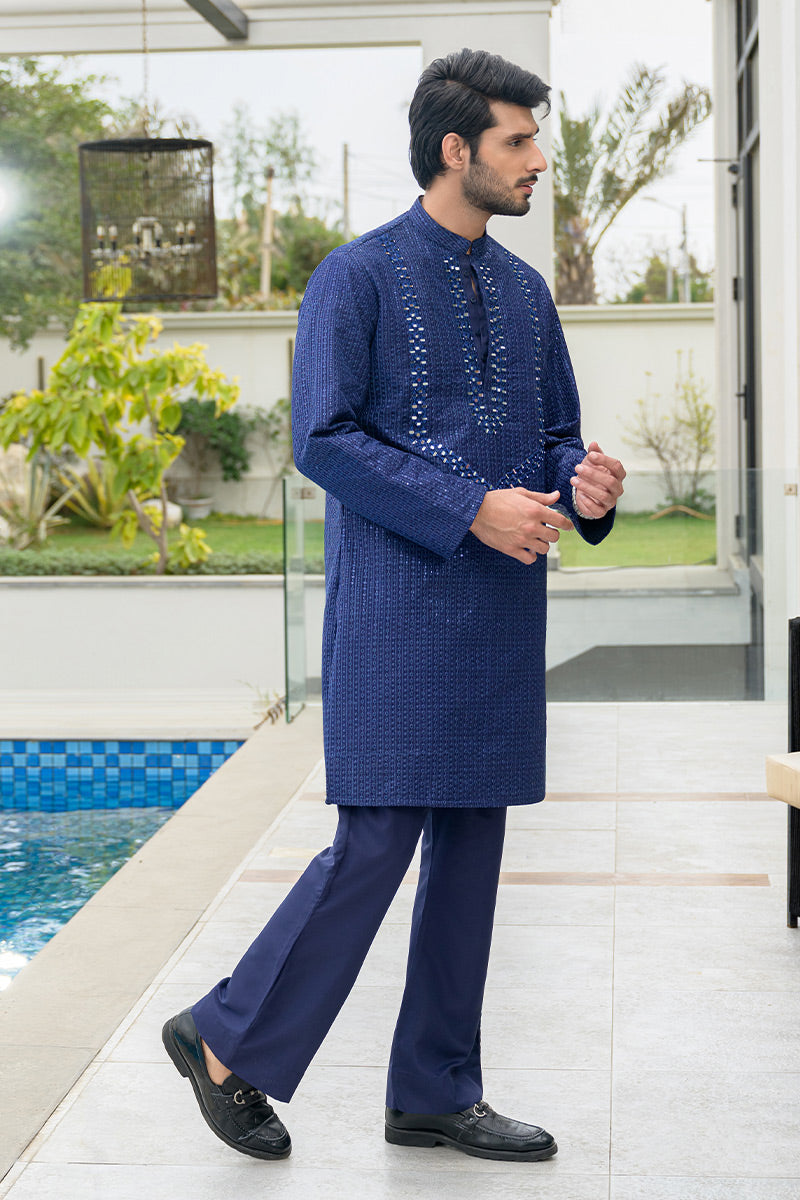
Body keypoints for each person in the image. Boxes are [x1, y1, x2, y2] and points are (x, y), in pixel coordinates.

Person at [163, 46, 625, 1165]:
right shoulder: (355, 277)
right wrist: (469, 507)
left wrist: (582, 484)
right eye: (518, 139)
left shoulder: (524, 291)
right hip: (397, 612)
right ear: (456, 149)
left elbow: (553, 434)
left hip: (499, 613)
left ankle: (434, 1090)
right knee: (375, 842)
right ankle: (224, 1036)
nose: (537, 159)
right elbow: (323, 438)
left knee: (471, 850)